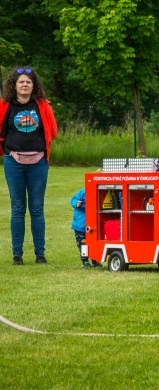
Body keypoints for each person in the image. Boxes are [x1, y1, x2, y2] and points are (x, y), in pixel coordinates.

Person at [0, 67, 58, 265]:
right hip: (13, 161)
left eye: (28, 82)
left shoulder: (43, 106)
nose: (25, 85)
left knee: (37, 208)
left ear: (34, 85)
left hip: (38, 163)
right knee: (17, 208)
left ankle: (40, 254)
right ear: (14, 85)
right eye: (21, 82)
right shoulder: (5, 106)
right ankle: (17, 255)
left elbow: (53, 130)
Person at [70, 188, 102, 268]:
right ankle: (85, 261)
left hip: (94, 225)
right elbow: (73, 199)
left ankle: (95, 260)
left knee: (94, 243)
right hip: (81, 225)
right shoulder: (83, 192)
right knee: (83, 244)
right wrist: (77, 203)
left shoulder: (100, 191)